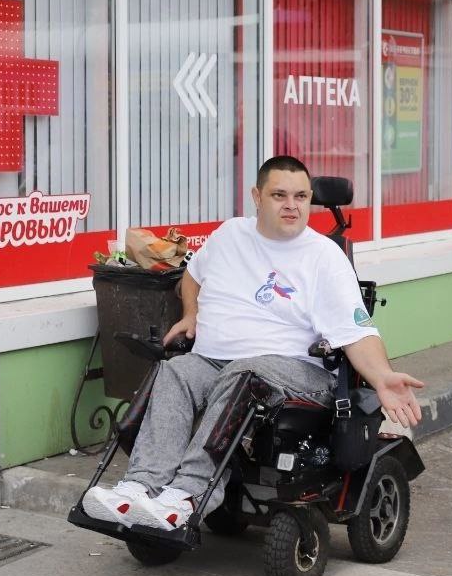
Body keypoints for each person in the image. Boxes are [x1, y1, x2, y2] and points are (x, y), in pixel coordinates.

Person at [82, 156, 424, 529]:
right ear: (257, 197)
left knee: (245, 372)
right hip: (215, 360)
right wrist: (191, 314)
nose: (292, 206)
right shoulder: (230, 235)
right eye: (279, 195)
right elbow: (192, 276)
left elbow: (356, 333)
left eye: (301, 196)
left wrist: (382, 377)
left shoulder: (325, 258)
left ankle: (189, 494)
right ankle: (140, 486)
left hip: (296, 372)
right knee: (175, 370)